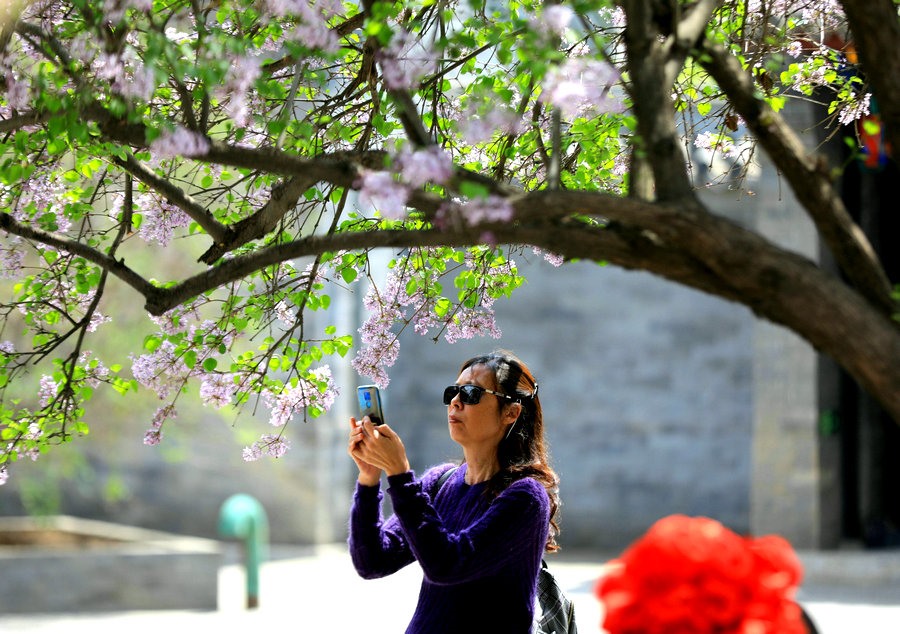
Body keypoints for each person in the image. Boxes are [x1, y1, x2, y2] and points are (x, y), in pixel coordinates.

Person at [347, 350, 561, 634]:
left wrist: (400, 474)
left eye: (471, 393)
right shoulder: (440, 482)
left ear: (511, 412)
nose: (455, 402)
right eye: (453, 392)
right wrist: (368, 478)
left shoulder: (526, 497)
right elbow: (372, 561)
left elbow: (448, 565)